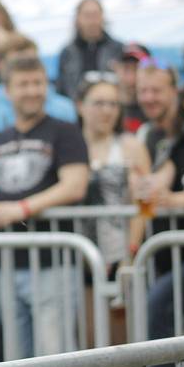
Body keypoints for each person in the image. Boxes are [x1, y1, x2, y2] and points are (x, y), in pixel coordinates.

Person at [0, 56, 89, 360]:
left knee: (54, 360)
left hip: (53, 261)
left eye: (38, 83)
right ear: (7, 91)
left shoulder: (65, 131)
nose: (32, 91)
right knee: (17, 362)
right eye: (24, 84)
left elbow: (75, 184)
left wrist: (23, 208)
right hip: (6, 264)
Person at [145, 80, 184, 367]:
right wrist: (150, 188)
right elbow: (160, 182)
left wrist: (178, 200)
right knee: (160, 304)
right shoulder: (177, 145)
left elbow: (171, 196)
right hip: (182, 253)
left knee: (160, 302)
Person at [76, 71, 151, 275]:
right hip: (78, 254)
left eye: (113, 104)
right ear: (80, 105)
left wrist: (132, 249)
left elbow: (146, 202)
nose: (107, 111)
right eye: (99, 103)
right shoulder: (68, 149)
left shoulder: (132, 147)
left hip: (122, 254)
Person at [0, 34, 77, 134]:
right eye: (16, 64)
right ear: (0, 65)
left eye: (32, 62)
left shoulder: (63, 109)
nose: (26, 68)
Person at [56, 0, 124, 98]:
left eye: (96, 15)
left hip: (111, 107)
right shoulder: (67, 53)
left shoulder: (118, 49)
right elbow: (62, 89)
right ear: (78, 19)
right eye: (87, 16)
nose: (92, 21)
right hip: (76, 109)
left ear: (102, 17)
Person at [136, 57, 181, 166]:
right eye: (143, 91)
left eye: (156, 91)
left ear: (175, 91)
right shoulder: (143, 134)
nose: (149, 98)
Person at [115, 43, 150, 133]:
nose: (131, 78)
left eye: (137, 69)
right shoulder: (106, 104)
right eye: (126, 69)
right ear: (116, 69)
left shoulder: (156, 106)